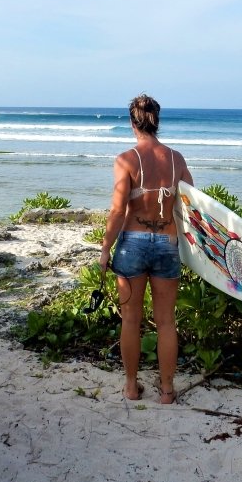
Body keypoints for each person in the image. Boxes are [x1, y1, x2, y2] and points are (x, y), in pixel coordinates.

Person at [99, 94, 193, 405]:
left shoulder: (126, 159)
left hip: (133, 244)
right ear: (157, 120)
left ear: (132, 122)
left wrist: (104, 249)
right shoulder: (176, 159)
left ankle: (130, 386)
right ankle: (167, 391)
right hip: (167, 243)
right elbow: (192, 206)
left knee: (130, 319)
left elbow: (116, 211)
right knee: (166, 321)